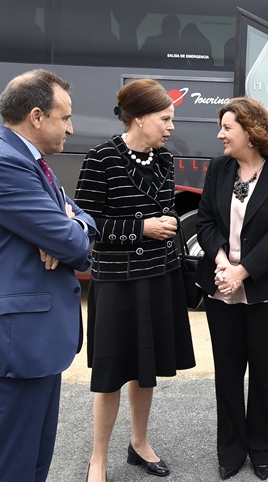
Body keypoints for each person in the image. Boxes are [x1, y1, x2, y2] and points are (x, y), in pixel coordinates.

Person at [0, 69, 97, 482]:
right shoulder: (2, 164)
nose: (71, 128)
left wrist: (69, 225)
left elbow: (83, 222)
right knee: (9, 469)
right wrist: (65, 231)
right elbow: (76, 247)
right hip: (14, 344)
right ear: (36, 116)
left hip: (31, 342)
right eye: (64, 117)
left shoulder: (27, 162)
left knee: (32, 464)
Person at [75, 79, 195, 482]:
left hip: (159, 276)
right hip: (117, 281)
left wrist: (170, 221)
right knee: (111, 374)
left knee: (146, 368)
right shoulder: (101, 158)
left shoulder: (164, 160)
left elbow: (167, 209)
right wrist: (141, 228)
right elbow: (87, 224)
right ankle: (98, 459)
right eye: (165, 119)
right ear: (140, 118)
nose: (171, 127)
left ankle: (139, 443)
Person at [195, 97, 268, 481]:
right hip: (221, 287)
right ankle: (230, 450)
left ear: (251, 131)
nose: (220, 134)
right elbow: (205, 221)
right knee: (227, 374)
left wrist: (242, 272)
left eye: (227, 128)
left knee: (264, 373)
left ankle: (264, 448)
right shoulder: (219, 168)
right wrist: (222, 262)